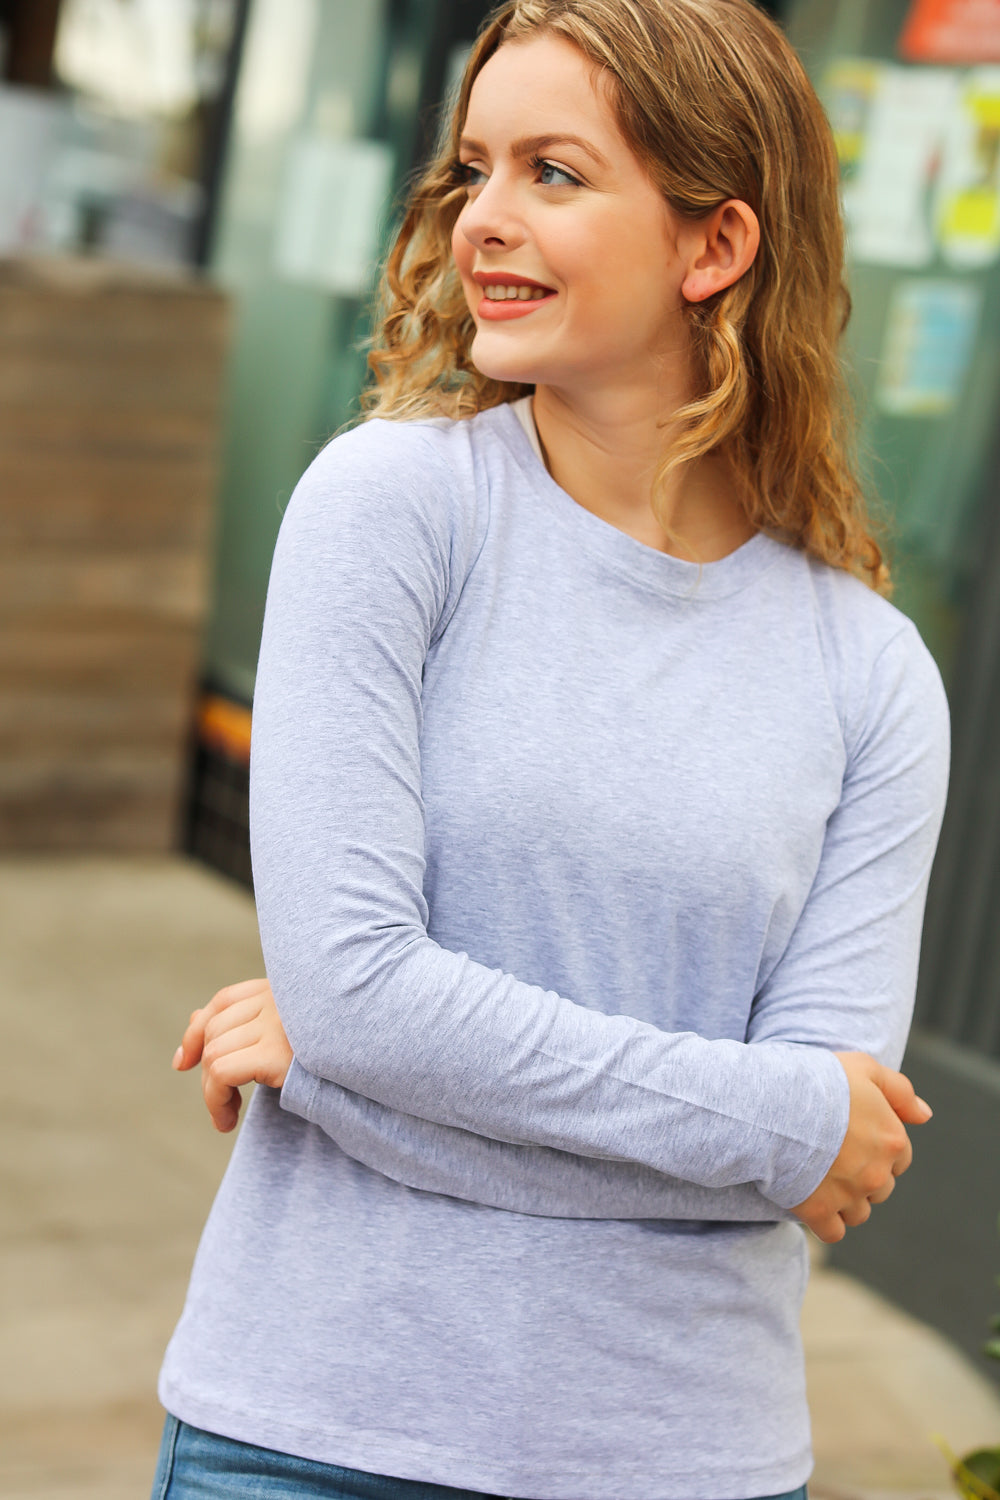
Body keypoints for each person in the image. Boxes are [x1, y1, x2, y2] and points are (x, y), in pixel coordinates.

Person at [152, 1, 950, 1496]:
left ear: (715, 246)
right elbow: (791, 1130)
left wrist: (345, 1075)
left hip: (688, 1458)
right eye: (475, 169)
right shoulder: (394, 510)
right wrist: (359, 1035)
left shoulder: (871, 674)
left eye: (555, 174)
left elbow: (829, 1156)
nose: (482, 221)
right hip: (314, 1433)